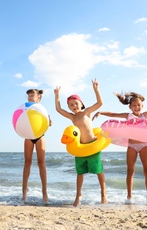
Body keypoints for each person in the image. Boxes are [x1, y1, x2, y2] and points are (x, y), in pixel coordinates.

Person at [54, 79, 107, 207]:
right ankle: (78, 195)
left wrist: (96, 89)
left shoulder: (87, 112)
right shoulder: (72, 117)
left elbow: (100, 103)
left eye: (76, 103)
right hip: (81, 149)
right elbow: (58, 109)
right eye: (71, 105)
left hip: (93, 146)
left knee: (98, 171)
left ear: (81, 103)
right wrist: (57, 96)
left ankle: (103, 193)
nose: (74, 106)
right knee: (80, 173)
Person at [22, 89, 52, 204]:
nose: (30, 97)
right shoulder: (25, 107)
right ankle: (24, 190)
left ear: (38, 97)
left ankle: (44, 191)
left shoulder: (41, 109)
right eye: (28, 96)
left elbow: (49, 122)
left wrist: (49, 121)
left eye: (32, 95)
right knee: (27, 163)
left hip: (40, 136)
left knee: (41, 163)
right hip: (28, 136)